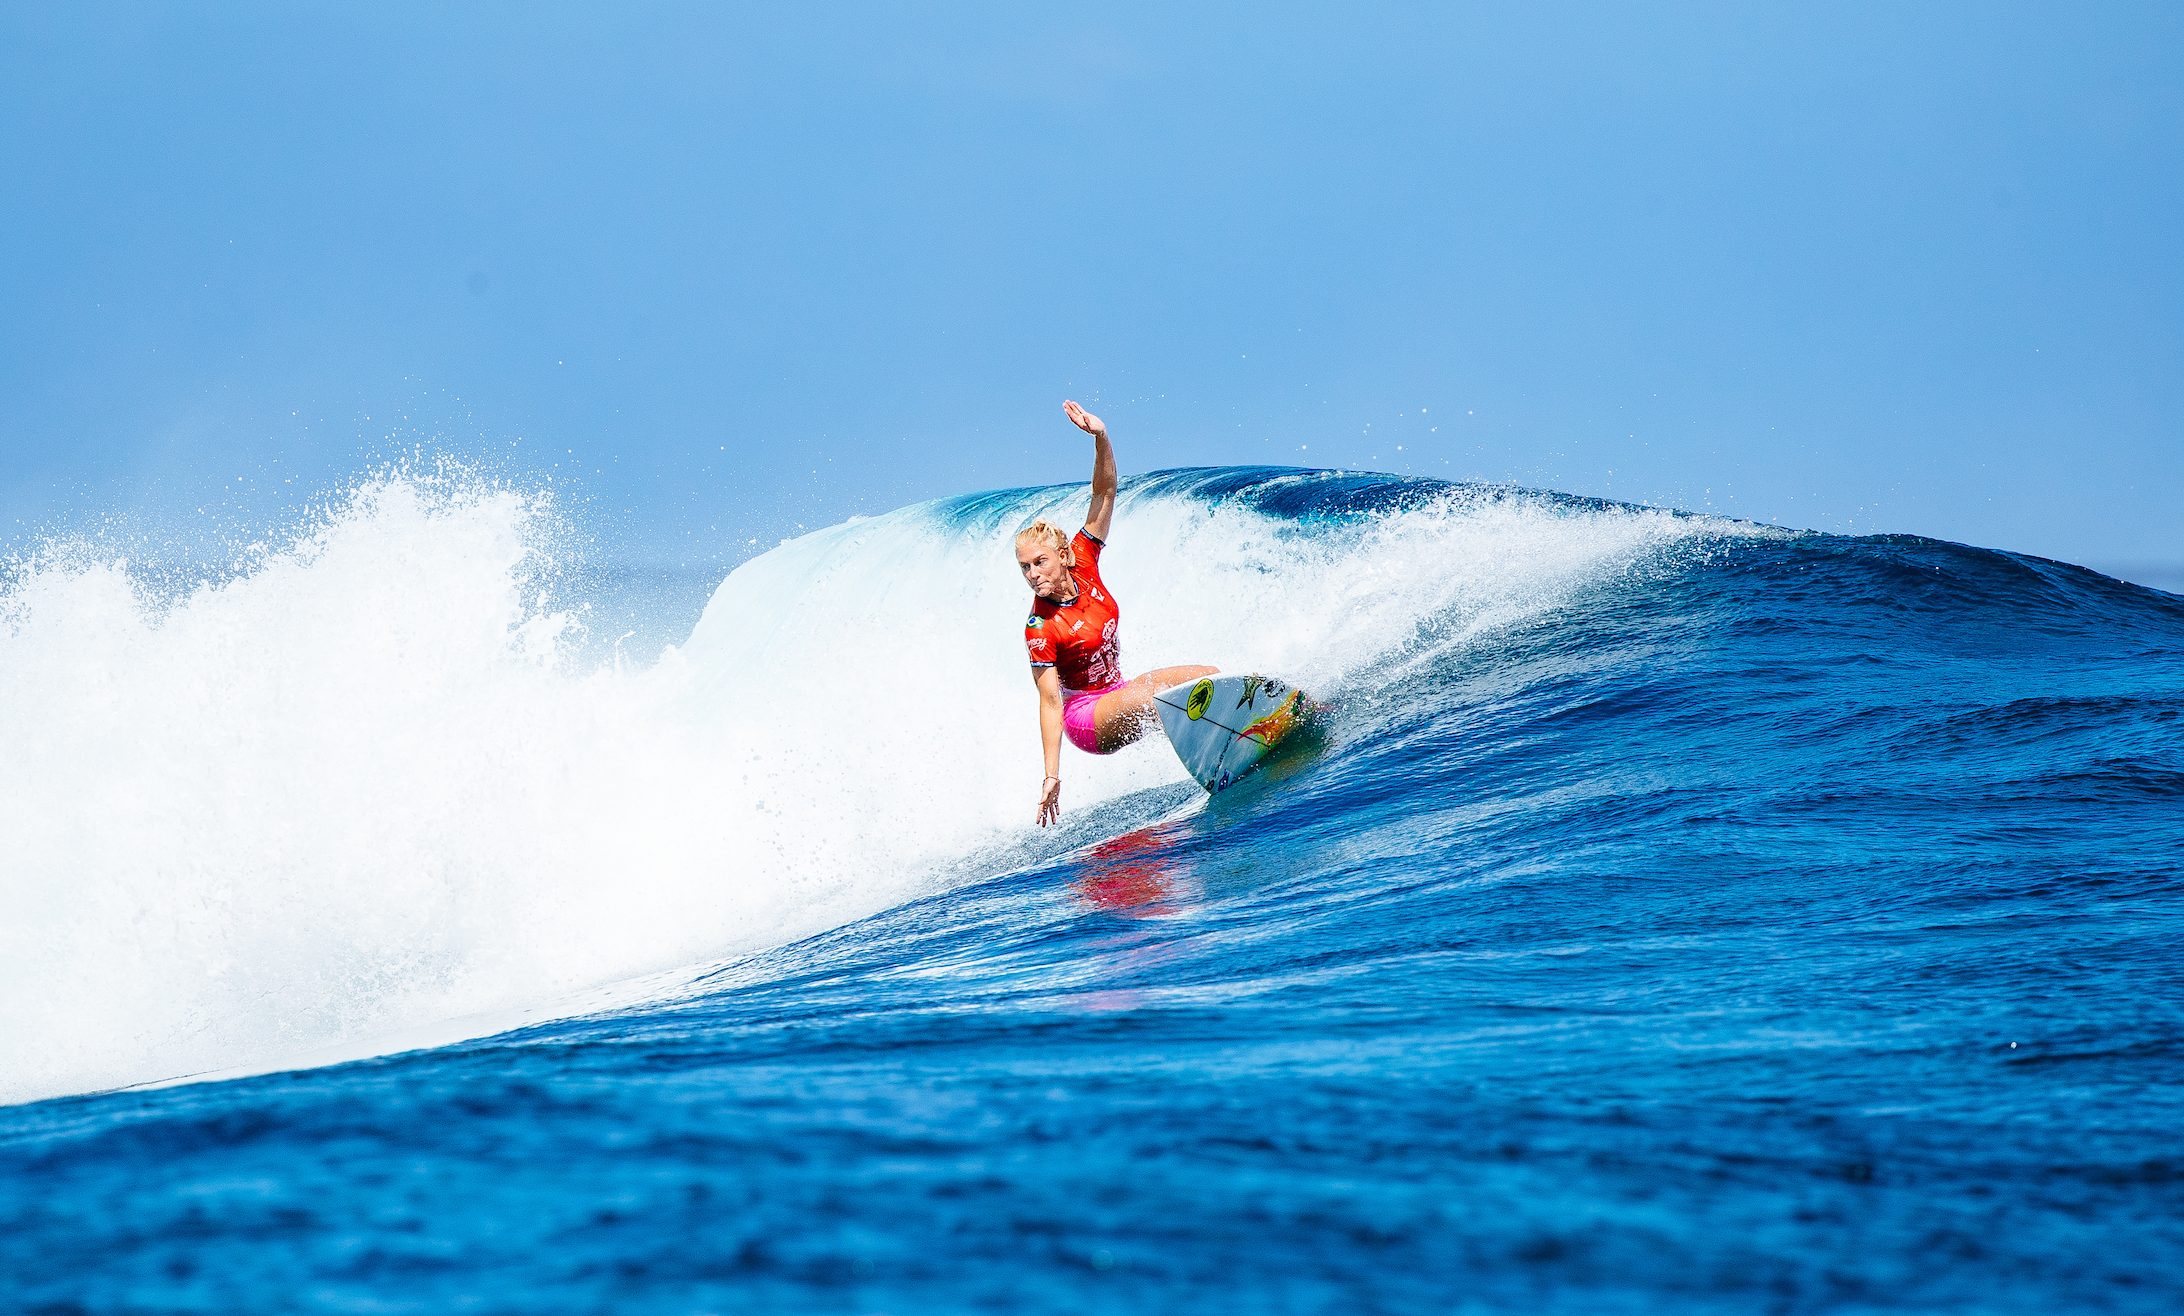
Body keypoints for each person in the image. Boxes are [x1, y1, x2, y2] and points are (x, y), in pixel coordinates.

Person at [1020, 400, 1215, 827]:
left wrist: (1101, 437)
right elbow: (1051, 703)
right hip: (1088, 718)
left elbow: (1105, 492)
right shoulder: (1039, 627)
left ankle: (1280, 716)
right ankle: (1215, 752)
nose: (1033, 575)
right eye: (1025, 567)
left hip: (1119, 692)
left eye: (1040, 562)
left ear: (1064, 557)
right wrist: (1051, 774)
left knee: (1210, 677)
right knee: (1156, 697)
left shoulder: (1085, 560)